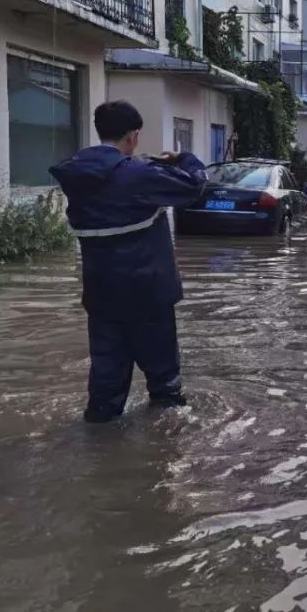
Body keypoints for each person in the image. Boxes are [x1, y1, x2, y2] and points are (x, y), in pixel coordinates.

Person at [50, 101, 207, 423]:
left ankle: (99, 447)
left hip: (101, 296)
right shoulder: (138, 175)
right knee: (165, 388)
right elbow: (194, 187)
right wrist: (183, 159)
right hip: (148, 293)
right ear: (133, 136)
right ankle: (164, 445)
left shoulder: (76, 174)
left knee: (105, 384)